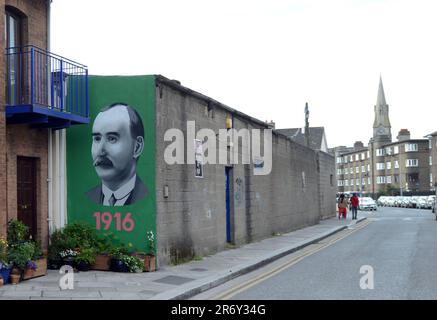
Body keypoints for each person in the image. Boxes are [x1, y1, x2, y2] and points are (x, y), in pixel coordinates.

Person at [85, 103, 148, 206]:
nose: (100, 151)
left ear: (137, 147)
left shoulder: (145, 197)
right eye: (97, 138)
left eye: (112, 138)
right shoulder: (90, 197)